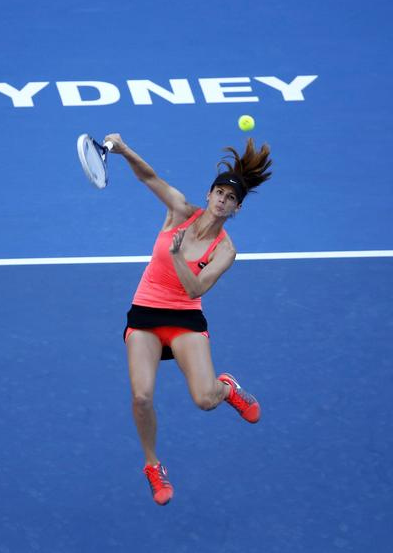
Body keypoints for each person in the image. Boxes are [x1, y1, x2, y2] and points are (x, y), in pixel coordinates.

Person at [104, 133, 272, 506]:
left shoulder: (226, 250)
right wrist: (123, 149)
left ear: (236, 209)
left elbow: (195, 289)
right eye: (219, 194)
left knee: (204, 399)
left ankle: (226, 388)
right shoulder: (180, 210)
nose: (222, 201)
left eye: (230, 200)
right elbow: (149, 177)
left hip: (184, 317)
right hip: (146, 310)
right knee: (141, 395)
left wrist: (179, 255)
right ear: (210, 194)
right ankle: (152, 465)